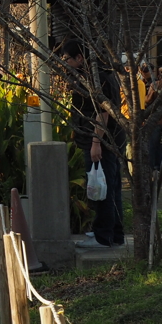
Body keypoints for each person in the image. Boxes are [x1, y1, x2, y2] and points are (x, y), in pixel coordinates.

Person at [62, 40, 126, 249]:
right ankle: (114, 234)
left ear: (79, 58)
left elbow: (103, 111)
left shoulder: (96, 78)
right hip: (110, 140)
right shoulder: (99, 74)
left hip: (102, 140)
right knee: (111, 186)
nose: (66, 63)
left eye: (68, 59)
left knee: (101, 187)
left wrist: (96, 142)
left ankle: (103, 235)